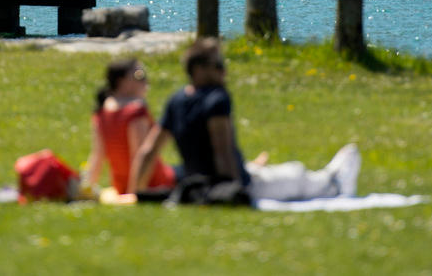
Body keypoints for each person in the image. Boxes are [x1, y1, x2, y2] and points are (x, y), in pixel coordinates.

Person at [131, 38, 360, 202]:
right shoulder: (216, 99)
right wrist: (235, 191)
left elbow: (149, 150)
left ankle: (331, 177)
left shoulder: (176, 100)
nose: (224, 71)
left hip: (196, 184)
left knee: (273, 171)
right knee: (296, 174)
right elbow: (222, 150)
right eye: (218, 66)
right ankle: (336, 183)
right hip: (236, 184)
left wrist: (134, 193)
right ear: (199, 69)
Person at [83, 59, 176, 196]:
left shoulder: (102, 112)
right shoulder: (135, 111)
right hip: (152, 184)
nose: (145, 81)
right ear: (122, 81)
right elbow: (138, 155)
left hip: (121, 186)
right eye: (139, 75)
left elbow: (97, 156)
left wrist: (87, 187)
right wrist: (135, 194)